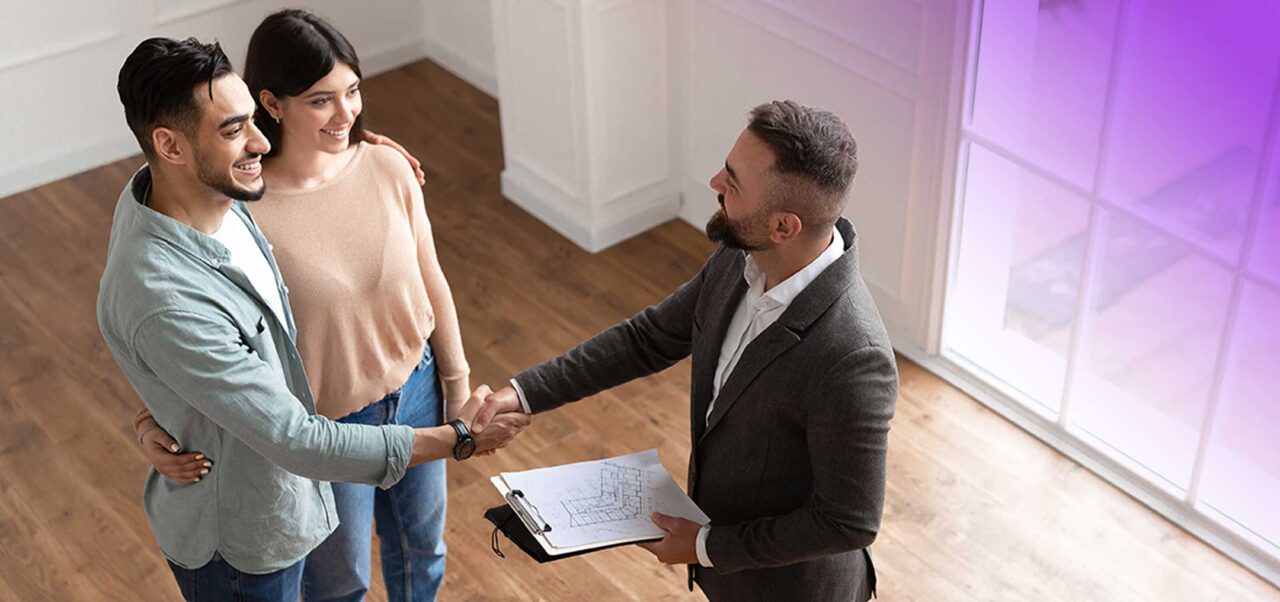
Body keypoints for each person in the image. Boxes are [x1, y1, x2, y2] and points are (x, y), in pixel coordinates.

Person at [100, 36, 523, 602]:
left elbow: (206, 354)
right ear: (169, 146)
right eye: (234, 130)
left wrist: (360, 149)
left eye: (251, 122)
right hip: (255, 531)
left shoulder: (206, 194)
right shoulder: (177, 281)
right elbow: (293, 436)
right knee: (339, 587)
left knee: (418, 549)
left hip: (360, 425)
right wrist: (459, 438)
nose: (257, 141)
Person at [474, 100, 898, 602]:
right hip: (727, 576)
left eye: (733, 184)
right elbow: (648, 338)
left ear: (784, 227)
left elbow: (847, 521)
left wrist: (705, 546)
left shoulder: (853, 358)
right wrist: (524, 393)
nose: (715, 182)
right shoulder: (742, 256)